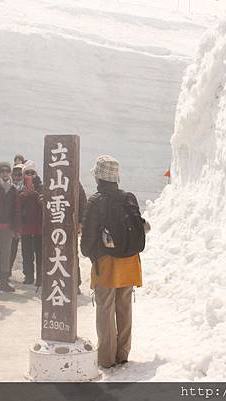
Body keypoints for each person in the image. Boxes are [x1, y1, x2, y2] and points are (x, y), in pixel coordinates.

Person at [80, 155, 148, 369]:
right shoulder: (129, 197)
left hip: (107, 263)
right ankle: (123, 353)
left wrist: (87, 252)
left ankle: (106, 358)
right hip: (130, 262)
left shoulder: (96, 200)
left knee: (105, 309)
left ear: (99, 178)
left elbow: (88, 235)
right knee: (125, 307)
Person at [0, 162, 20, 292]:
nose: (5, 173)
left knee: (6, 254)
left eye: (7, 171)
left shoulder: (13, 189)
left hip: (8, 226)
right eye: (2, 171)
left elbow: (16, 209)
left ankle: (4, 282)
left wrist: (16, 228)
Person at [16, 164, 43, 286]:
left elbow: (45, 204)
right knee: (27, 253)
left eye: (32, 172)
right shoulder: (20, 188)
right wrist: (24, 195)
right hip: (26, 227)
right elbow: (16, 206)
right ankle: (28, 276)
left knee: (40, 253)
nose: (30, 175)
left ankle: (41, 278)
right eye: (27, 173)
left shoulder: (42, 188)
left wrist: (34, 194)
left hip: (39, 227)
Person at [9, 164, 24, 274]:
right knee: (11, 248)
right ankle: (8, 270)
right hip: (12, 222)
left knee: (27, 251)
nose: (17, 177)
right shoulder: (8, 186)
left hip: (25, 222)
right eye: (15, 174)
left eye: (20, 174)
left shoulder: (27, 188)